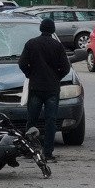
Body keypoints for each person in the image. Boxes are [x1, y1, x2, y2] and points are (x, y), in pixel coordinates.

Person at [18, 17, 71, 162]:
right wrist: (56, 77)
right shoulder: (57, 46)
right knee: (50, 121)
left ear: (41, 28)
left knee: (32, 120)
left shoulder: (31, 44)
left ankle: (29, 149)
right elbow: (66, 67)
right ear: (53, 30)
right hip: (52, 88)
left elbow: (22, 63)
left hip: (36, 86)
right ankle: (48, 152)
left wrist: (30, 74)